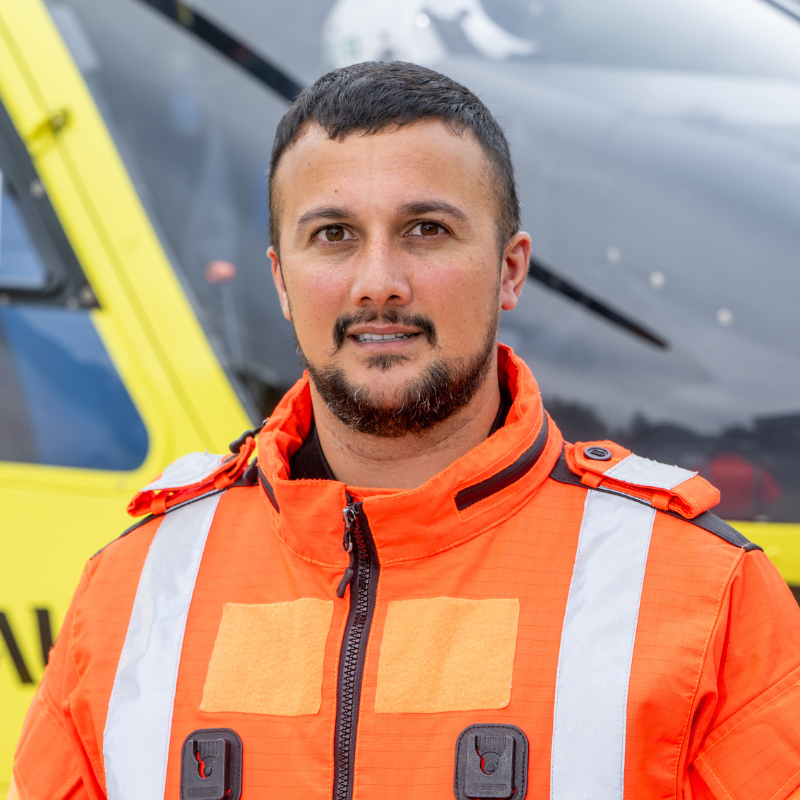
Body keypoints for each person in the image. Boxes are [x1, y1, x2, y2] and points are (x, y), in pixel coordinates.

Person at [10, 61, 800, 800]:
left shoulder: (704, 598)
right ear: (282, 280)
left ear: (511, 269)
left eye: (426, 230)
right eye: (333, 236)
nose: (378, 283)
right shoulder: (132, 593)